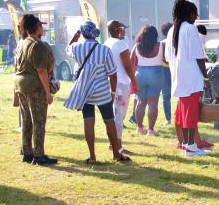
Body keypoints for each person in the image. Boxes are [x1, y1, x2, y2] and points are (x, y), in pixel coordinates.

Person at [66, 20, 129, 163]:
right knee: (109, 121)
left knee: (88, 122)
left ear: (82, 33)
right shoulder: (104, 50)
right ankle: (116, 154)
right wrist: (113, 92)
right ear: (95, 33)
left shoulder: (76, 47)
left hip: (84, 91)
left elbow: (67, 47)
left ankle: (92, 157)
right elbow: (112, 74)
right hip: (102, 91)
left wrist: (76, 35)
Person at [165, 0, 209, 157]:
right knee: (191, 113)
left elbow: (167, 57)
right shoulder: (190, 29)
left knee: (184, 112)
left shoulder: (171, 31)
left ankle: (186, 143)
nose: (196, 17)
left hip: (178, 76)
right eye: (195, 14)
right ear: (190, 14)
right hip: (191, 78)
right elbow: (199, 56)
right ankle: (190, 146)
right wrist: (206, 78)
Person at [14, 14, 57, 165]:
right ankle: (38, 155)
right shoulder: (37, 45)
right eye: (41, 26)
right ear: (37, 28)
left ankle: (27, 152)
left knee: (26, 121)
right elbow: (41, 71)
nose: (43, 28)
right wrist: (48, 92)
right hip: (34, 86)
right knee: (38, 121)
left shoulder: (22, 43)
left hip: (21, 85)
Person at [104, 20, 136, 155]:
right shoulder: (121, 44)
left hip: (109, 82)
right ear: (118, 30)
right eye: (123, 28)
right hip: (121, 82)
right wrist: (135, 81)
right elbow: (128, 66)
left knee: (113, 114)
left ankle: (113, 143)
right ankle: (118, 145)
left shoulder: (107, 43)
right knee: (119, 115)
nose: (124, 31)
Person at [132, 25, 163, 136]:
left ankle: (139, 127)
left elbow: (131, 61)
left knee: (140, 102)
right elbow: (166, 59)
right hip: (156, 74)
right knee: (153, 103)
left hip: (140, 74)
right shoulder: (160, 46)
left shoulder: (137, 46)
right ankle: (150, 130)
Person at [160, 22, 173, 125]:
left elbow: (163, 58)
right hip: (173, 68)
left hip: (164, 70)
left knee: (166, 96)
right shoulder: (176, 41)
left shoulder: (162, 43)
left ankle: (168, 119)